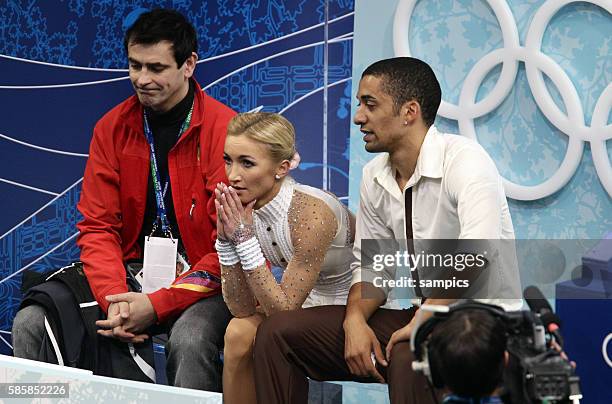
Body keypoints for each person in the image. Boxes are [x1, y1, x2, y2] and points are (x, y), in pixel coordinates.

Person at [252, 57, 521, 403]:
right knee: (278, 332)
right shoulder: (374, 176)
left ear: (409, 111)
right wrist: (355, 321)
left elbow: (477, 255)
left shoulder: (466, 161)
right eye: (360, 103)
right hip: (425, 315)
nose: (358, 116)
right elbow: (373, 270)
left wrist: (424, 316)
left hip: (485, 323)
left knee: (410, 353)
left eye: (370, 103)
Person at [12, 9, 235, 391]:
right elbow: (97, 227)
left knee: (191, 339)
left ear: (189, 65)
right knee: (32, 320)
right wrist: (116, 299)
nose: (142, 79)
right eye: (134, 65)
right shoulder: (111, 127)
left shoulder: (227, 130)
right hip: (129, 275)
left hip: (206, 279)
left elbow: (230, 247)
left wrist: (157, 305)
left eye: (156, 67)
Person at [214, 112, 355, 404]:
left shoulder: (310, 213)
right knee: (238, 331)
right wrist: (226, 241)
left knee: (272, 334)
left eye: (247, 163)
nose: (232, 175)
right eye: (228, 160)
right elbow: (240, 308)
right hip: (305, 303)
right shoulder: (246, 209)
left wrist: (243, 238)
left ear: (282, 167)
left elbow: (284, 313)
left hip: (357, 307)